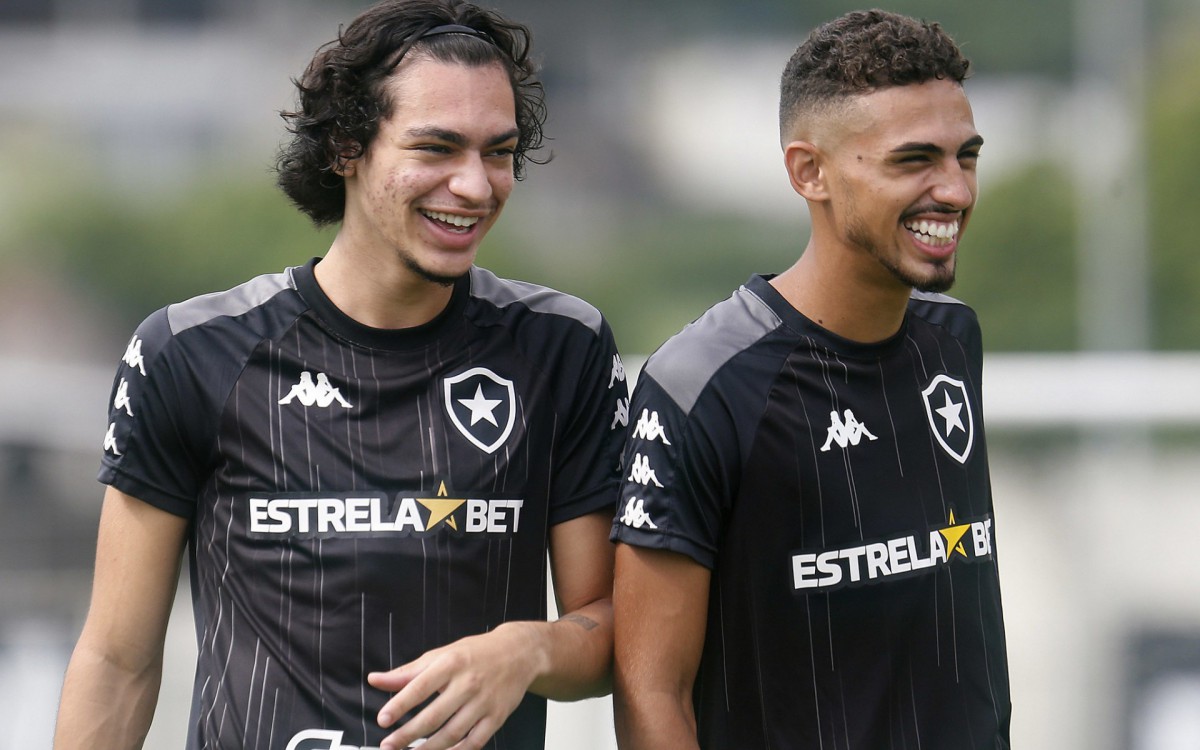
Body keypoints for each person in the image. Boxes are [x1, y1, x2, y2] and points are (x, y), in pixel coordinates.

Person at [54, 1, 629, 748]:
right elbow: (117, 660)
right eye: (437, 148)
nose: (476, 186)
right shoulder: (191, 352)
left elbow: (620, 629)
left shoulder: (563, 349)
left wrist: (528, 650)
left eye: (498, 152)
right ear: (347, 148)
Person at [610, 10, 1011, 749]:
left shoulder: (953, 340)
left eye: (966, 156)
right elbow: (651, 692)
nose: (954, 191)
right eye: (913, 160)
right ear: (809, 172)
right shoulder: (702, 383)